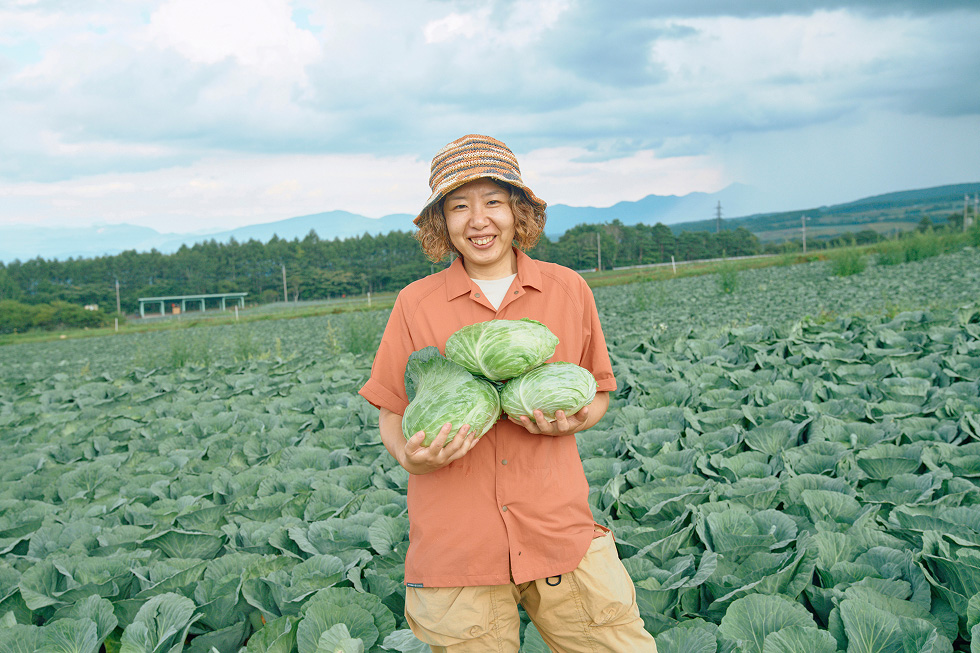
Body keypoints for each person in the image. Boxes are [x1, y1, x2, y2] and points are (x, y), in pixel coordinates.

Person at [359, 134, 656, 652]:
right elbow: (392, 409)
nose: (478, 220)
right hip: (458, 549)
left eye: (493, 202)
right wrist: (412, 457)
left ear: (518, 211)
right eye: (459, 206)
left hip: (559, 533)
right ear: (441, 223)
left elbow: (598, 391)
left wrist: (576, 420)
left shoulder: (568, 290)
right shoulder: (415, 303)